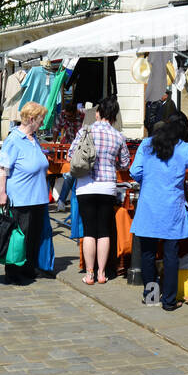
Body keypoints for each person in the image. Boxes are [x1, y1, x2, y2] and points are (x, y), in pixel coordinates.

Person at [129, 112, 188, 311]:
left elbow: (135, 172)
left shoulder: (146, 144)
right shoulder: (185, 149)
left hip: (149, 207)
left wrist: (150, 181)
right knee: (170, 256)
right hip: (171, 209)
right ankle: (169, 301)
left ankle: (151, 296)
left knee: (148, 254)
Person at [69, 95, 130, 285]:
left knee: (89, 231)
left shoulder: (85, 131)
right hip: (108, 186)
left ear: (98, 113)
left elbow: (72, 154)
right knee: (104, 231)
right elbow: (125, 163)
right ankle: (102, 273)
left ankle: (89, 274)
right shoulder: (118, 136)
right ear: (113, 115)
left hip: (86, 185)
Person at [0, 101, 51, 285]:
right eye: (41, 119)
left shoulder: (34, 139)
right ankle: (13, 272)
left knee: (34, 236)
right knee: (20, 238)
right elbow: (3, 168)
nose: (43, 123)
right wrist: (1, 193)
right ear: (31, 118)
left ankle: (28, 268)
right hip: (21, 198)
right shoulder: (13, 140)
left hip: (38, 197)